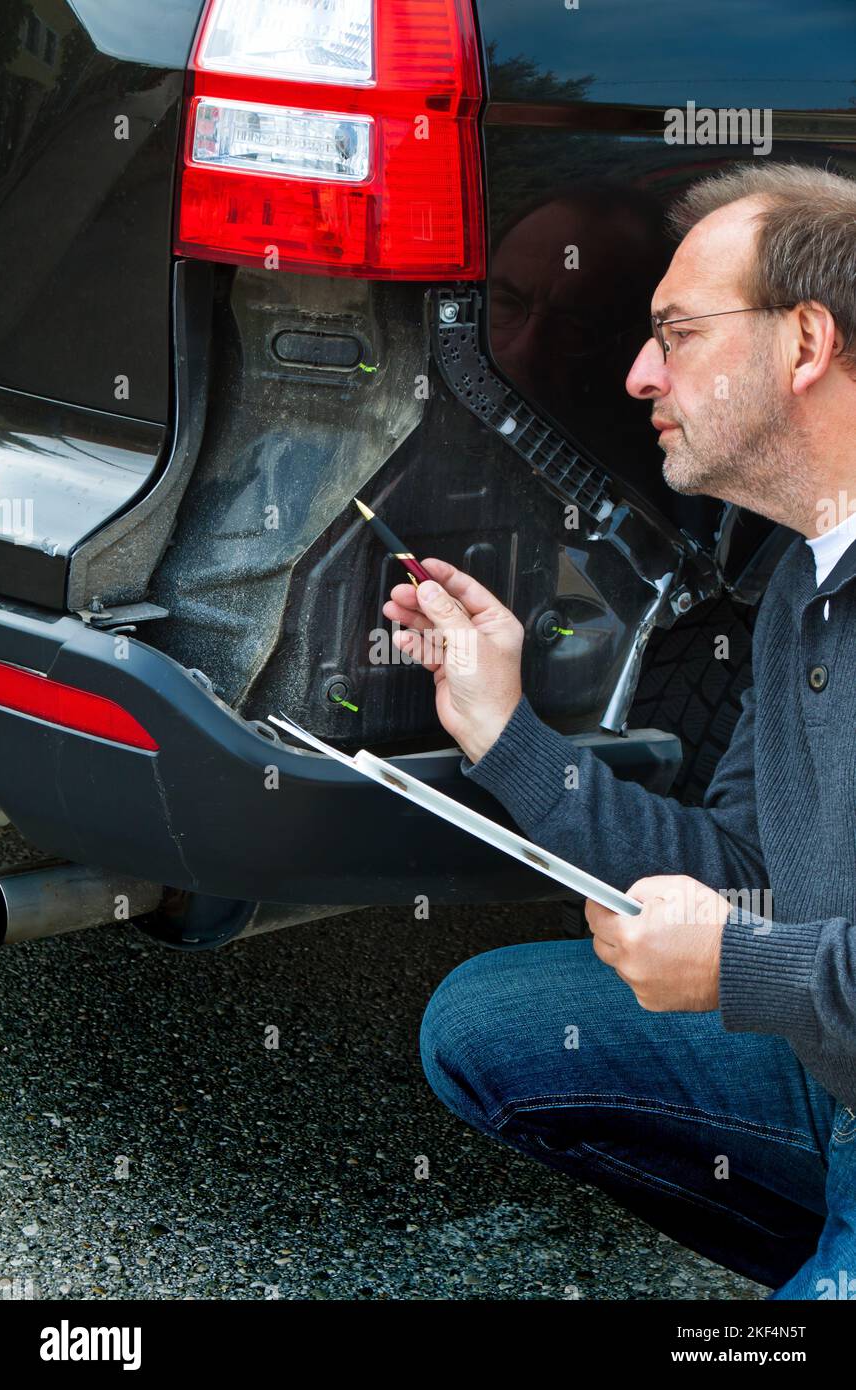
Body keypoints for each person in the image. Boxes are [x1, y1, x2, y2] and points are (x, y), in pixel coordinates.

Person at [382, 162, 856, 1300]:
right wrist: (504, 735)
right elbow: (747, 873)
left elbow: (753, 940)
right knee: (487, 1024)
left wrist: (742, 966)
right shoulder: (805, 574)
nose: (639, 374)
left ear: (802, 344)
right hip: (836, 1076)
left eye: (677, 333)